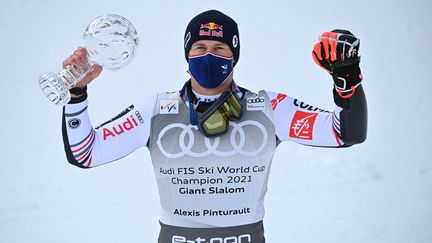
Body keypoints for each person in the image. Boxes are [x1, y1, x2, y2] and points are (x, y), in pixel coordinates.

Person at [61, 9, 367, 243]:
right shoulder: (155, 110)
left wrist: (347, 81)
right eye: (200, 47)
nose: (209, 55)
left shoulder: (269, 108)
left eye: (219, 49)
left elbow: (347, 132)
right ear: (187, 54)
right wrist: (77, 94)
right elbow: (86, 153)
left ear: (234, 56)